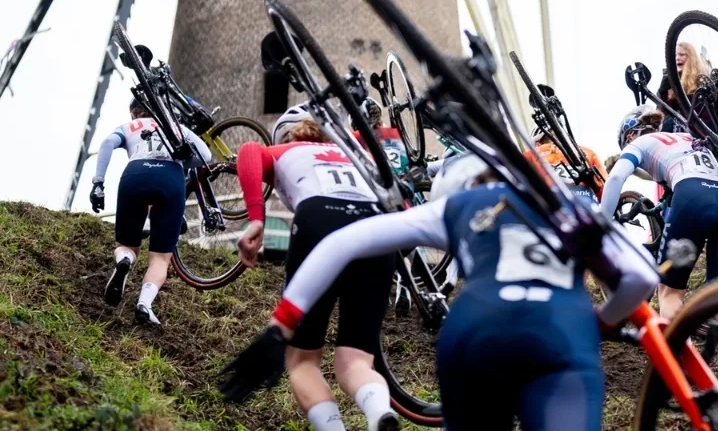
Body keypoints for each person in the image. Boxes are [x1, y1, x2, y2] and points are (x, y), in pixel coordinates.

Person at [219, 146, 659, 430]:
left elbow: (343, 241)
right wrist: (599, 321)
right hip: (561, 338)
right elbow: (642, 276)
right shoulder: (574, 212)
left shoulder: (465, 204)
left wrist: (281, 325)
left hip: (478, 330)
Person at [230, 104, 400, 431]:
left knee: (303, 361)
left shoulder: (285, 149)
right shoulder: (353, 151)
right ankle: (379, 412)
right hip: (377, 225)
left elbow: (250, 150)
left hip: (320, 217)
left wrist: (255, 219)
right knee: (356, 360)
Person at [599, 104, 718, 394]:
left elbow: (617, 178)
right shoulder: (687, 138)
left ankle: (688, 369)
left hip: (692, 195)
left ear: (629, 137)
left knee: (669, 292)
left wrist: (603, 229)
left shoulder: (641, 143)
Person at [91, 99, 213, 325]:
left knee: (126, 245)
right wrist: (185, 161)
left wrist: (98, 183)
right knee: (159, 258)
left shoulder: (129, 127)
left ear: (134, 113)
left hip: (135, 174)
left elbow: (108, 143)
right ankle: (144, 304)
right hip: (171, 178)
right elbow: (206, 156)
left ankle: (125, 260)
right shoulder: (177, 127)